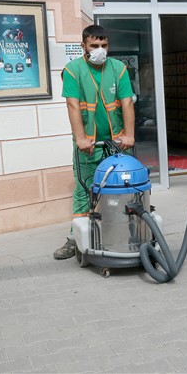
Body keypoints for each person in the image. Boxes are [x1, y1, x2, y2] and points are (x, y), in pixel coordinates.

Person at [53, 25, 135, 260]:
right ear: (83, 46)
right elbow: (72, 105)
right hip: (87, 143)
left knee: (122, 189)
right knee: (83, 190)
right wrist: (80, 138)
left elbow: (127, 102)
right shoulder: (73, 70)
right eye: (94, 46)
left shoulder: (118, 69)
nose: (100, 50)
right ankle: (75, 239)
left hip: (116, 142)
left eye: (104, 45)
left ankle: (124, 232)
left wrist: (129, 134)